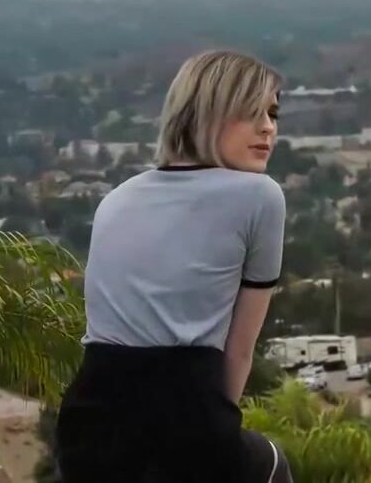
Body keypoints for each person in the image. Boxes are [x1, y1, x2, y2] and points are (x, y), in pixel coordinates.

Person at [55, 50, 292, 482]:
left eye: (272, 114)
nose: (267, 128)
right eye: (250, 112)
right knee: (272, 464)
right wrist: (216, 431)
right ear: (206, 112)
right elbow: (240, 349)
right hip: (187, 418)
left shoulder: (116, 199)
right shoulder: (260, 196)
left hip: (86, 428)